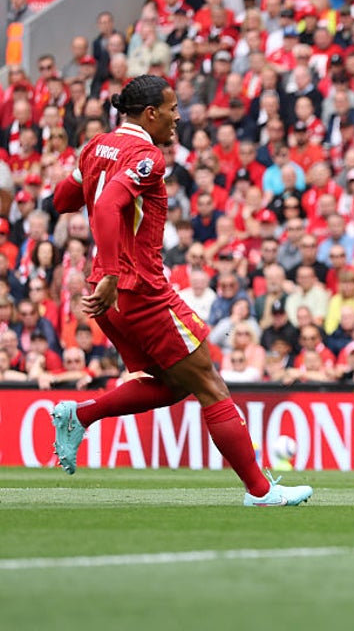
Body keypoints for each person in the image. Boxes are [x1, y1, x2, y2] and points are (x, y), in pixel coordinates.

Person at [48, 75, 311, 507]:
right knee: (209, 383)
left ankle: (80, 415)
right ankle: (261, 492)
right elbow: (113, 201)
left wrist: (107, 268)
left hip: (107, 291)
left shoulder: (96, 146)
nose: (177, 117)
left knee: (172, 385)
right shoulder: (146, 155)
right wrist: (115, 271)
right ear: (150, 114)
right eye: (171, 109)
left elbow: (61, 200)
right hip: (137, 289)